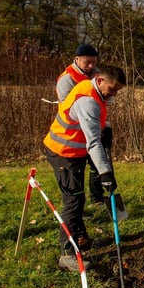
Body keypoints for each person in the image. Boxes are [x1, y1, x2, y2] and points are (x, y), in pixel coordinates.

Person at [43, 65, 126, 271]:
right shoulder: (88, 101)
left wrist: (104, 128)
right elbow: (93, 143)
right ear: (100, 81)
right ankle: (67, 255)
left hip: (74, 152)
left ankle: (79, 237)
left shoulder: (95, 93)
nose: (114, 94)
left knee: (77, 198)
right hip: (63, 152)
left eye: (117, 91)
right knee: (73, 200)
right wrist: (105, 173)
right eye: (112, 89)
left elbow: (94, 127)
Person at [55, 43, 109, 208]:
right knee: (76, 173)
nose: (91, 66)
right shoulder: (67, 79)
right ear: (77, 59)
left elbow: (105, 99)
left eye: (94, 62)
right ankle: (75, 206)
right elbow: (70, 107)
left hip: (95, 125)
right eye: (87, 62)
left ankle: (97, 198)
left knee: (97, 162)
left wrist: (103, 126)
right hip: (74, 132)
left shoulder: (97, 75)